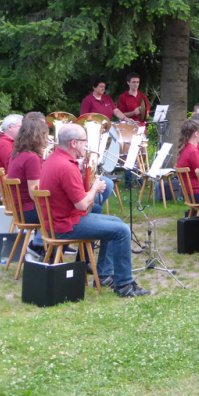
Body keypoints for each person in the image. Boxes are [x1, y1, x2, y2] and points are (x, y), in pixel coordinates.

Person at [39, 123, 148, 297]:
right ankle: (124, 285)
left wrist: (83, 176)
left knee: (116, 222)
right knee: (121, 230)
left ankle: (105, 274)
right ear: (74, 143)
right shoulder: (66, 167)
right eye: (84, 141)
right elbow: (82, 205)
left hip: (58, 221)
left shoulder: (53, 159)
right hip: (66, 225)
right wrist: (95, 188)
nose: (86, 145)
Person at [6, 116, 49, 253]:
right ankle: (37, 245)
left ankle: (44, 246)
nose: (47, 139)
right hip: (28, 211)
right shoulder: (31, 158)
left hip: (20, 210)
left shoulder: (17, 154)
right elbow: (34, 194)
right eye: (45, 135)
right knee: (67, 211)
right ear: (37, 137)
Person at [176, 119, 199, 203]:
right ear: (196, 134)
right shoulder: (192, 152)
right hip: (197, 193)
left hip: (191, 193)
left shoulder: (187, 148)